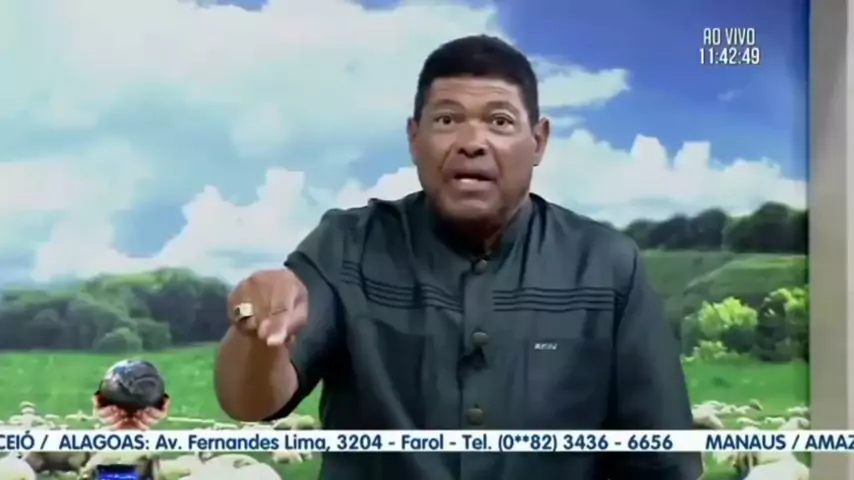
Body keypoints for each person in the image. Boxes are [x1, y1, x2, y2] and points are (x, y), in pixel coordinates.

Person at [215, 35, 703, 479]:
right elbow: (251, 403)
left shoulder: (607, 264)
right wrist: (257, 336)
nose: (472, 143)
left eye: (500, 121)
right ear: (414, 138)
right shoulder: (345, 245)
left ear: (539, 141)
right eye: (447, 120)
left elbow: (663, 461)